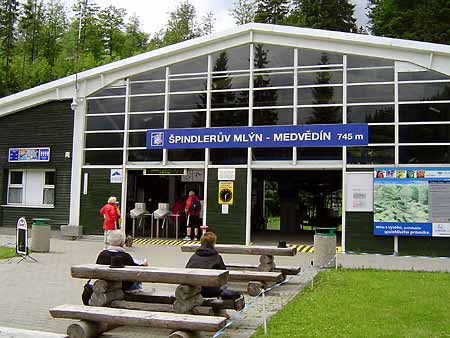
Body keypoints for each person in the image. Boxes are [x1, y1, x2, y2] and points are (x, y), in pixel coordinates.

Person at [185, 232, 241, 300]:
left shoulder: (194, 256)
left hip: (192, 289)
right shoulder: (217, 257)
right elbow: (224, 274)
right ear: (213, 243)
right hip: (209, 291)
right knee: (224, 284)